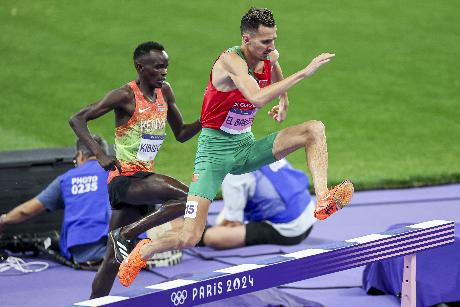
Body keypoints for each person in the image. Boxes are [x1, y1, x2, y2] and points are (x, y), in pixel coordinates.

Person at [118, 7, 354, 287]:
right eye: (265, 41)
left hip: (245, 146)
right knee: (190, 236)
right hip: (213, 154)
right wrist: (304, 72)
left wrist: (285, 102)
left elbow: (275, 68)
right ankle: (143, 250)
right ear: (246, 39)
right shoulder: (231, 61)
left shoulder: (269, 55)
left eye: (274, 39)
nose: (272, 47)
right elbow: (254, 98)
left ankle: (323, 198)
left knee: (314, 129)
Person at [69, 41, 201, 298]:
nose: (164, 72)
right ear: (141, 68)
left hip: (142, 181)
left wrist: (207, 120)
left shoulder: (166, 92)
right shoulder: (124, 96)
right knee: (189, 198)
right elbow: (77, 119)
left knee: (111, 261)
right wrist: (99, 153)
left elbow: (182, 133)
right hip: (124, 180)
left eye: (166, 66)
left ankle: (94, 303)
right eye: (158, 67)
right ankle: (127, 233)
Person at [0, 135, 110, 264]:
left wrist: (3, 220)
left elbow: (26, 210)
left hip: (87, 252)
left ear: (80, 155)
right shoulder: (121, 171)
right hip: (129, 247)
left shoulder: (67, 179)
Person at [202, 158, 316, 249]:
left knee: (212, 237)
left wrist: (202, 232)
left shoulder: (233, 174)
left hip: (289, 231)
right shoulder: (263, 148)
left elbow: (232, 222)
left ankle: (196, 237)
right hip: (309, 215)